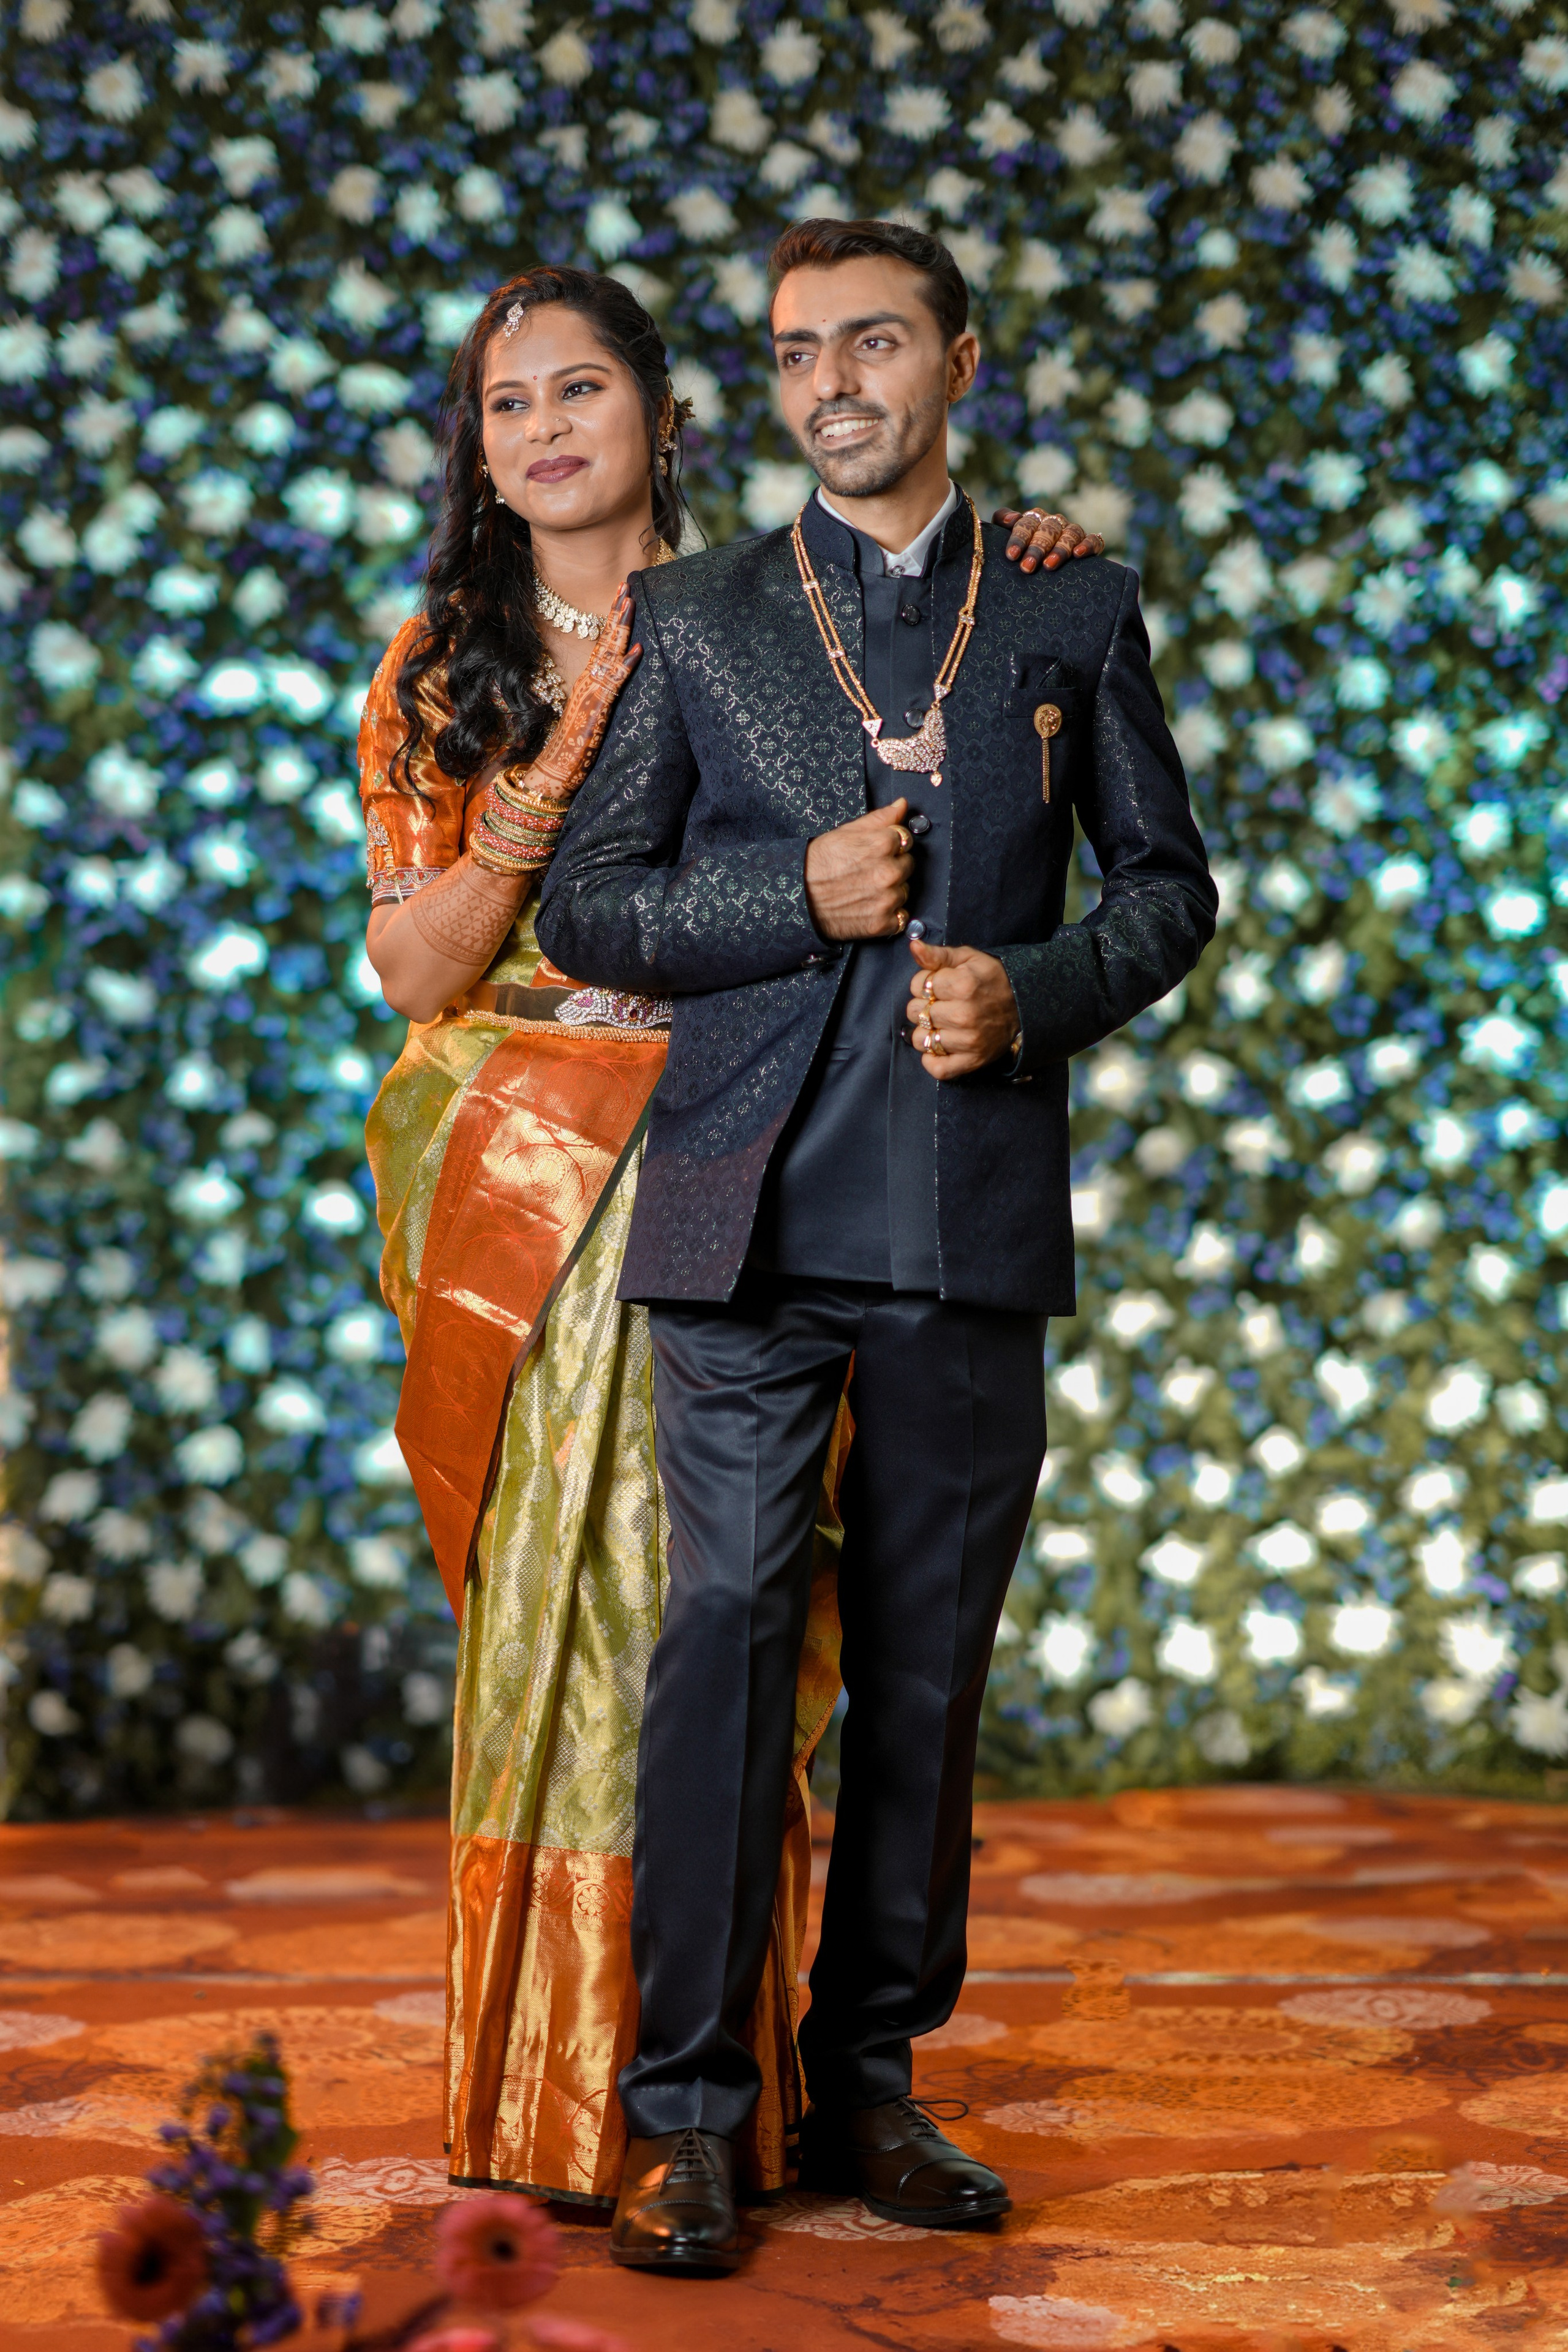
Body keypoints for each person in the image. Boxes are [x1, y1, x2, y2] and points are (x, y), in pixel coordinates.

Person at [356, 262, 1104, 2211]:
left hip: (830, 1156)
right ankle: (626, 2094)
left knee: (850, 1646)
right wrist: (561, 776)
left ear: (670, 415)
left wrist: (1012, 562)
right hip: (554, 1180)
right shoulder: (471, 660)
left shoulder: (804, 594)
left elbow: (1080, 829)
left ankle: (808, 2079)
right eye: (506, 405)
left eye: (580, 388)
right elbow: (437, 956)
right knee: (634, 1634)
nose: (545, 432)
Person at [537, 218, 1217, 2272]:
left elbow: (1172, 892)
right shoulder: (704, 611)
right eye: (796, 351)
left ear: (958, 362)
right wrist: (792, 903)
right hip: (739, 1230)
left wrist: (1036, 990)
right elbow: (590, 907)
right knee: (727, 1649)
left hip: (965, 1227)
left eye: (874, 342)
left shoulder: (1067, 604)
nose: (832, 379)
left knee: (924, 1684)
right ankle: (687, 2121)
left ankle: (879, 2087)